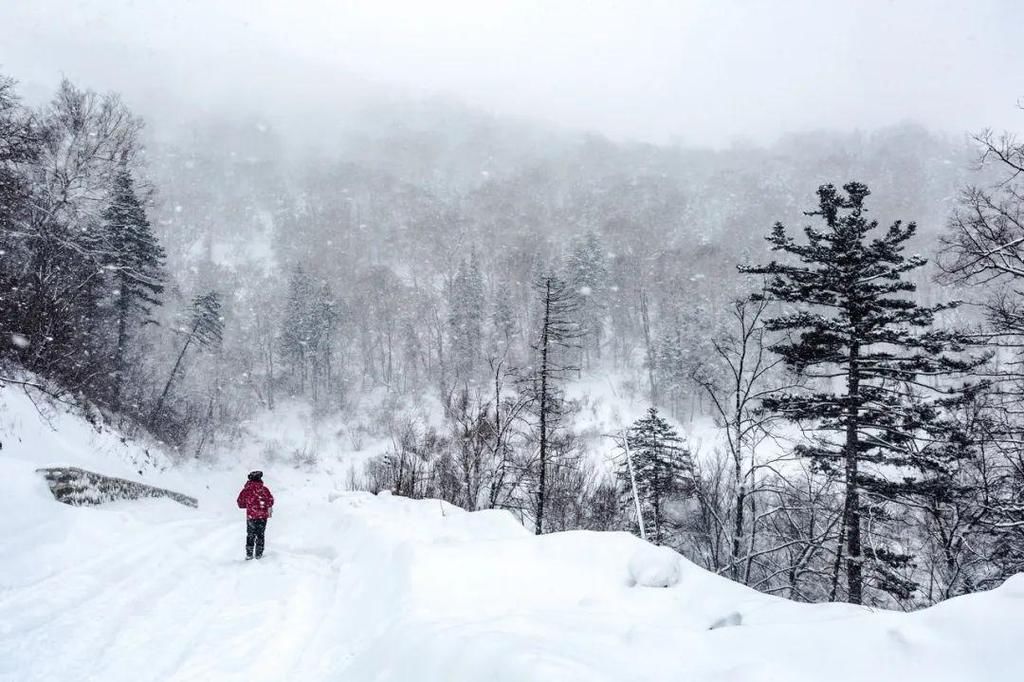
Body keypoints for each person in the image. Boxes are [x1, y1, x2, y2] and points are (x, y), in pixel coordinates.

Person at [236, 471, 274, 560]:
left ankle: (249, 554)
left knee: (250, 535)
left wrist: (249, 505)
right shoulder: (264, 490)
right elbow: (271, 501)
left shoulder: (246, 490)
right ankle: (258, 554)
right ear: (260, 479)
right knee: (260, 535)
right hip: (262, 516)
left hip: (251, 516)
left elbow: (240, 503)